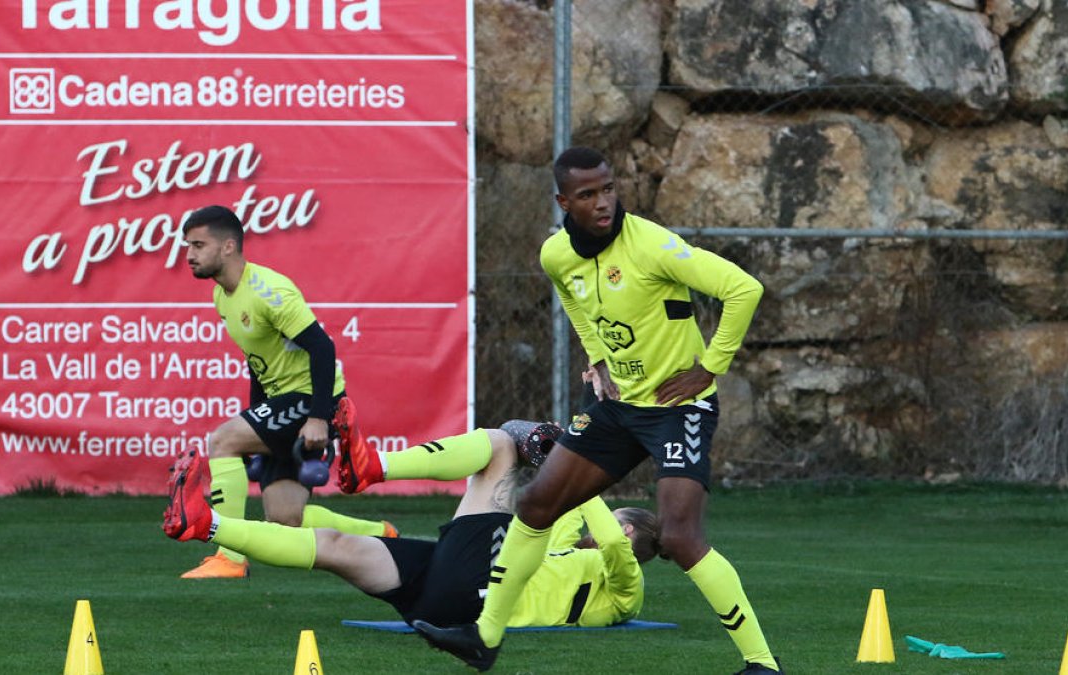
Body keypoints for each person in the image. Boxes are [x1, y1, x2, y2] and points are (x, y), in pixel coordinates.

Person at [414, 147, 783, 674]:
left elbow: (743, 289)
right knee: (536, 504)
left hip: (677, 406)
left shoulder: (652, 244)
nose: (603, 202)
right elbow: (572, 297)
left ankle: (762, 663)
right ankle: (484, 637)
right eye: (587, 195)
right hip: (615, 405)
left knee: (678, 537)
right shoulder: (556, 254)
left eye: (608, 188)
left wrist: (711, 367)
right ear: (564, 201)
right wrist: (597, 357)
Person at [163, 421, 662, 632]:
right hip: (447, 593)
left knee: (500, 444)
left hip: (478, 597)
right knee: (340, 546)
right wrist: (571, 458)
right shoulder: (567, 552)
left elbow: (611, 537)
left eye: (619, 522)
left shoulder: (622, 588)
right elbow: (564, 508)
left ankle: (373, 467)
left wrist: (586, 478)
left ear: (633, 534)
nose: (605, 526)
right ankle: (206, 524)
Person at [178, 205, 395, 579]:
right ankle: (381, 535)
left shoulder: (269, 292)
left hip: (310, 400)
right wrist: (255, 419)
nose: (189, 255)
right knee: (285, 521)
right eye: (188, 246)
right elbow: (258, 362)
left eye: (198, 245)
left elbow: (323, 348)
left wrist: (318, 418)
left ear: (228, 247)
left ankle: (229, 557)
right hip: (283, 402)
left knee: (222, 441)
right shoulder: (222, 297)